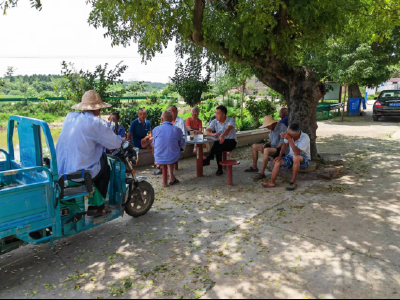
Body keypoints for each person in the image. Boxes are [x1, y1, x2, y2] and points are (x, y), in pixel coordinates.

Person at [56, 90, 123, 217]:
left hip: (61, 169)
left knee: (97, 160)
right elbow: (114, 143)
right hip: (76, 174)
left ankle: (95, 201)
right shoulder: (96, 123)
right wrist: (121, 140)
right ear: (97, 109)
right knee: (105, 166)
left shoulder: (70, 117)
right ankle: (97, 206)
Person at [262, 123, 311, 191]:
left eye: (289, 134)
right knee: (277, 162)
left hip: (303, 159)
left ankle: (293, 180)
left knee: (296, 157)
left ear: (295, 135)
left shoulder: (305, 138)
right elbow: (284, 145)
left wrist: (289, 139)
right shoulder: (290, 135)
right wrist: (280, 156)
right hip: (291, 156)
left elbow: (296, 152)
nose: (287, 135)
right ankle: (271, 182)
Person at [245, 116, 287, 180]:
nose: (267, 127)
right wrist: (267, 144)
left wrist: (270, 149)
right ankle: (254, 167)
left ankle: (262, 173)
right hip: (273, 147)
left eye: (267, 126)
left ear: (272, 123)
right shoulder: (272, 129)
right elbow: (272, 141)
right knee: (254, 146)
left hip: (280, 149)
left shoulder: (282, 127)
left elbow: (282, 144)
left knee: (266, 150)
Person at [152, 111, 186, 186]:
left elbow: (154, 144)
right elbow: (182, 144)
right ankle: (172, 178)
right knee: (171, 152)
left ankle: (171, 178)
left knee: (167, 152)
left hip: (158, 157)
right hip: (173, 157)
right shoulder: (177, 130)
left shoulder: (155, 129)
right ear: (171, 119)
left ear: (161, 119)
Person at [203, 105, 237, 176]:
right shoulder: (214, 121)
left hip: (231, 141)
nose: (216, 115)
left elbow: (228, 129)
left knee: (218, 144)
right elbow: (206, 131)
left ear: (223, 115)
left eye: (218, 114)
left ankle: (209, 159)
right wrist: (213, 134)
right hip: (220, 142)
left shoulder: (231, 120)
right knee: (218, 146)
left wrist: (222, 136)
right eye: (215, 113)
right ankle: (218, 168)